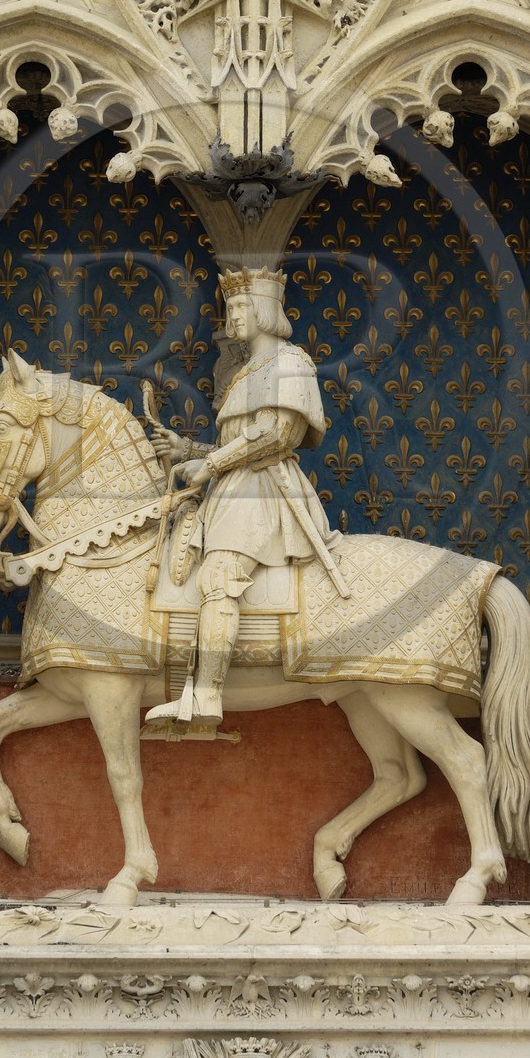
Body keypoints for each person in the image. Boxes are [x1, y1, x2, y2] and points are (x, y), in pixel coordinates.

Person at [145, 266, 340, 733]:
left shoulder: (291, 362)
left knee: (220, 573)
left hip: (264, 488)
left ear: (265, 310)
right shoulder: (245, 370)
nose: (233, 317)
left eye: (240, 307)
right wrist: (189, 450)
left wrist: (208, 465)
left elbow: (275, 434)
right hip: (232, 487)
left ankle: (208, 693)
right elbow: (236, 441)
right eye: (229, 308)